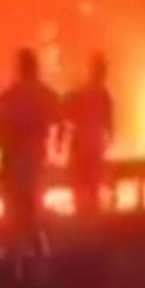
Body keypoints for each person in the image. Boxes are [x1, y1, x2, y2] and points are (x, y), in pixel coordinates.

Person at [0, 48, 61, 270]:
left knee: (15, 212)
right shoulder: (47, 95)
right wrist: (57, 144)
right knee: (32, 209)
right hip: (37, 158)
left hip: (14, 158)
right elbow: (61, 120)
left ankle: (17, 261)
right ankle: (39, 257)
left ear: (19, 68)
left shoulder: (8, 96)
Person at [64, 52, 114, 217]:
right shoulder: (103, 96)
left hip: (82, 147)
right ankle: (90, 222)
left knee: (82, 191)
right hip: (93, 148)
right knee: (90, 191)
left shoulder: (83, 92)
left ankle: (83, 222)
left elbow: (69, 115)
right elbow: (110, 127)